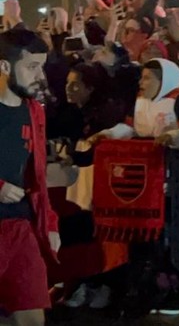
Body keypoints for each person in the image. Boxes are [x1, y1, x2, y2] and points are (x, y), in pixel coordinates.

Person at [0, 28, 60, 326]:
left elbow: (37, 173)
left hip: (20, 228)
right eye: (32, 67)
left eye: (42, 66)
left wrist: (49, 222)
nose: (40, 75)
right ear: (5, 66)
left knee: (32, 318)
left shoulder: (34, 110)